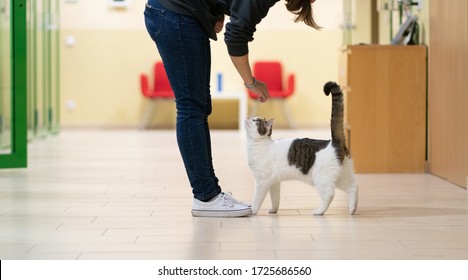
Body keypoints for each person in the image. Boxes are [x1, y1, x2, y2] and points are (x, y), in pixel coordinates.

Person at [144, 0, 320, 217]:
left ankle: (208, 193)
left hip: (176, 13)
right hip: (176, 15)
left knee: (197, 108)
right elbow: (236, 36)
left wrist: (215, 10)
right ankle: (206, 196)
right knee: (191, 108)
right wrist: (251, 82)